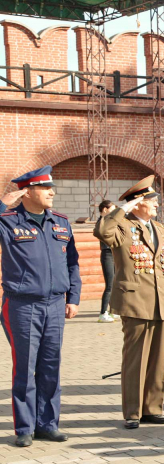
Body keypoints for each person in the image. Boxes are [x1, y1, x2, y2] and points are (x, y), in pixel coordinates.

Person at [0, 167, 81, 447]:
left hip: (55, 304)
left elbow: (72, 262)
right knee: (25, 367)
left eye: (51, 187)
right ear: (28, 191)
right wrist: (2, 204)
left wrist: (74, 297)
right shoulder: (8, 220)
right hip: (22, 305)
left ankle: (47, 424)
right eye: (45, 188)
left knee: (50, 366)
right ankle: (24, 428)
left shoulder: (60, 221)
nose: (51, 192)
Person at [94, 175, 164, 430]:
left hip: (160, 301)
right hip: (135, 301)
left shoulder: (159, 228)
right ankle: (132, 412)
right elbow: (102, 231)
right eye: (152, 201)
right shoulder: (122, 226)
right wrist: (123, 209)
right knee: (136, 359)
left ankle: (152, 409)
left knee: (157, 359)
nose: (156, 205)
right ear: (138, 203)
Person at [98, 199, 118, 323]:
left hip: (114, 254)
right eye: (112, 209)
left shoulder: (109, 221)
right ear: (105, 209)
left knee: (116, 284)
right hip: (107, 255)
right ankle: (102, 313)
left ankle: (112, 311)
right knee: (110, 285)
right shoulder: (102, 222)